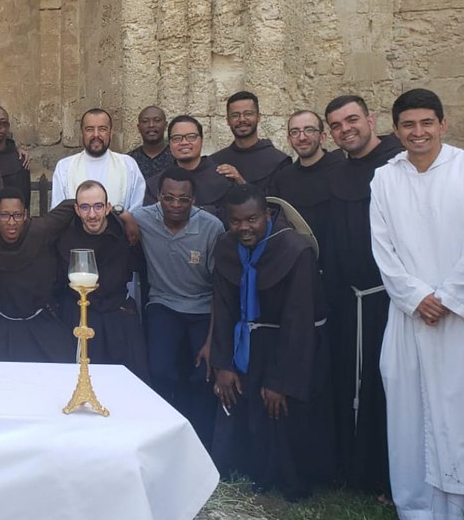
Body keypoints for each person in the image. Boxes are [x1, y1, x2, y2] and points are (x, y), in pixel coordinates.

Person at [371, 89, 464, 520]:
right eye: (409, 125)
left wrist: (449, 297)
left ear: (442, 124)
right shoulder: (384, 178)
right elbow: (383, 248)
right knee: (412, 410)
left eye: (426, 123)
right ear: (396, 131)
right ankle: (423, 510)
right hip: (412, 315)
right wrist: (416, 298)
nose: (418, 133)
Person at [211, 184, 334, 500]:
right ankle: (254, 474)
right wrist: (223, 364)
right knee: (242, 403)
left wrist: (281, 381)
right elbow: (223, 309)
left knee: (278, 407)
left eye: (251, 219)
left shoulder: (295, 250)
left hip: (288, 344)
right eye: (236, 221)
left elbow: (299, 321)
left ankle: (291, 481)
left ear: (267, 214)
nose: (244, 228)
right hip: (247, 340)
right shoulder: (226, 247)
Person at [323, 94, 402, 496]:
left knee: (385, 381)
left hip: (390, 296)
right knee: (349, 380)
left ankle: (384, 474)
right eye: (335, 125)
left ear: (371, 119)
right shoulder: (338, 171)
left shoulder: (397, 163)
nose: (344, 129)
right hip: (347, 296)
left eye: (351, 120)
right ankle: (352, 466)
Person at [129, 167, 224, 446]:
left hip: (203, 306)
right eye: (168, 198)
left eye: (183, 199)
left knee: (202, 376)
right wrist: (126, 217)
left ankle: (200, 442)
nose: (175, 205)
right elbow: (118, 214)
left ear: (194, 199)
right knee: (160, 371)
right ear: (158, 196)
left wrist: (211, 341)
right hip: (163, 303)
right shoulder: (144, 218)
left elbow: (220, 288)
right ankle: (161, 438)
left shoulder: (211, 227)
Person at [0, 188, 76, 362]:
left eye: (17, 215)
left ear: (25, 215)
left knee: (64, 361)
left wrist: (126, 217)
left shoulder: (40, 230)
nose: (11, 222)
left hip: (38, 318)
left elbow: (72, 205)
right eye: (5, 215)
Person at [54, 180, 149, 381]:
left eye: (98, 206)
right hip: (78, 313)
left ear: (107, 208)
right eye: (85, 207)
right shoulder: (64, 236)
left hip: (117, 314)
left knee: (128, 382)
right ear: (77, 210)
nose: (92, 215)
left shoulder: (125, 232)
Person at [267, 109, 343, 257]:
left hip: (339, 262)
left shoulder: (342, 170)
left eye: (309, 130)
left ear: (322, 137)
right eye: (295, 132)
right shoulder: (282, 178)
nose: (302, 137)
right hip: (300, 262)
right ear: (289, 140)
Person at [144, 115, 237, 220]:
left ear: (201, 140)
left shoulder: (223, 179)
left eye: (191, 137)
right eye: (177, 138)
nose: (184, 143)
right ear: (169, 144)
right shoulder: (155, 184)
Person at [51, 108, 146, 210]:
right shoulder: (65, 167)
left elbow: (137, 211)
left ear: (110, 132)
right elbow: (58, 213)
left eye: (102, 129)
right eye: (89, 129)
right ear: (81, 133)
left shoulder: (128, 165)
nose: (96, 134)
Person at [211, 91, 290, 193]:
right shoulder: (216, 162)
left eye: (248, 114)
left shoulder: (279, 162)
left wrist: (240, 182)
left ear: (258, 117)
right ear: (228, 121)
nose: (242, 119)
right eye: (235, 115)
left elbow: (278, 206)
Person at [127, 106, 170, 179]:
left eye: (157, 120)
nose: (151, 125)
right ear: (138, 127)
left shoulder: (176, 158)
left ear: (165, 125)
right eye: (145, 121)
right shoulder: (129, 160)